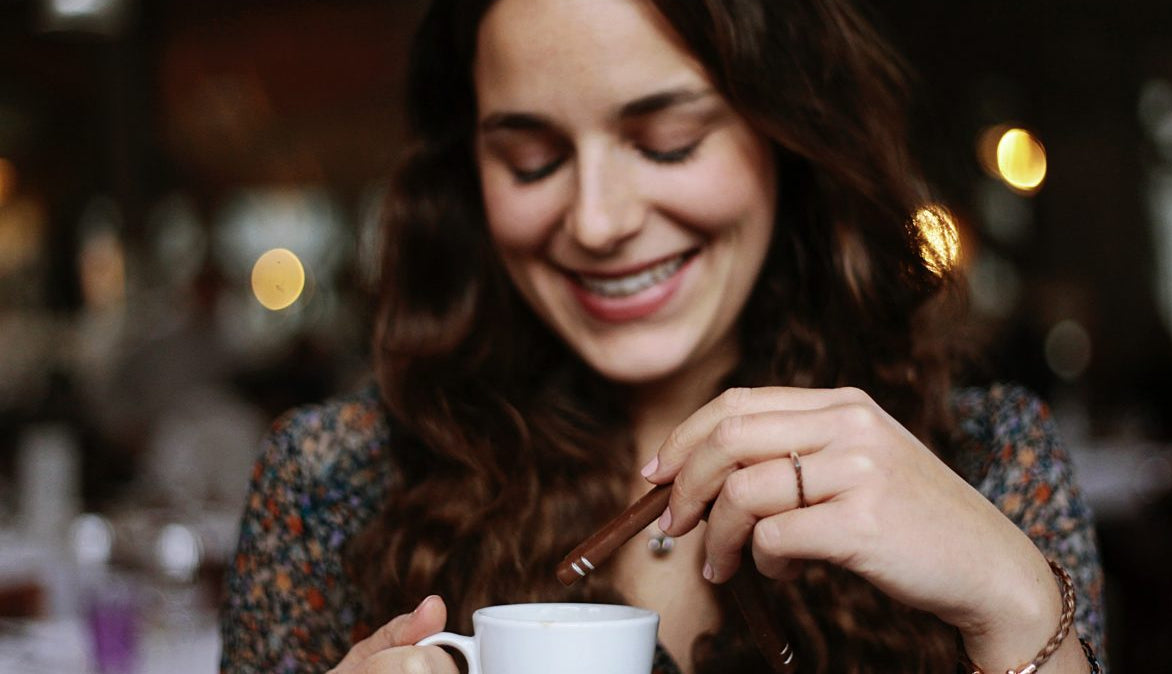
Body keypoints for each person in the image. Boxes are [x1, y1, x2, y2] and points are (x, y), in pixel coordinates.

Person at [219, 0, 1106, 672]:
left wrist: (1016, 607)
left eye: (670, 142)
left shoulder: (988, 459)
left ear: (787, 133)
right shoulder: (329, 479)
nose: (598, 221)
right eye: (531, 159)